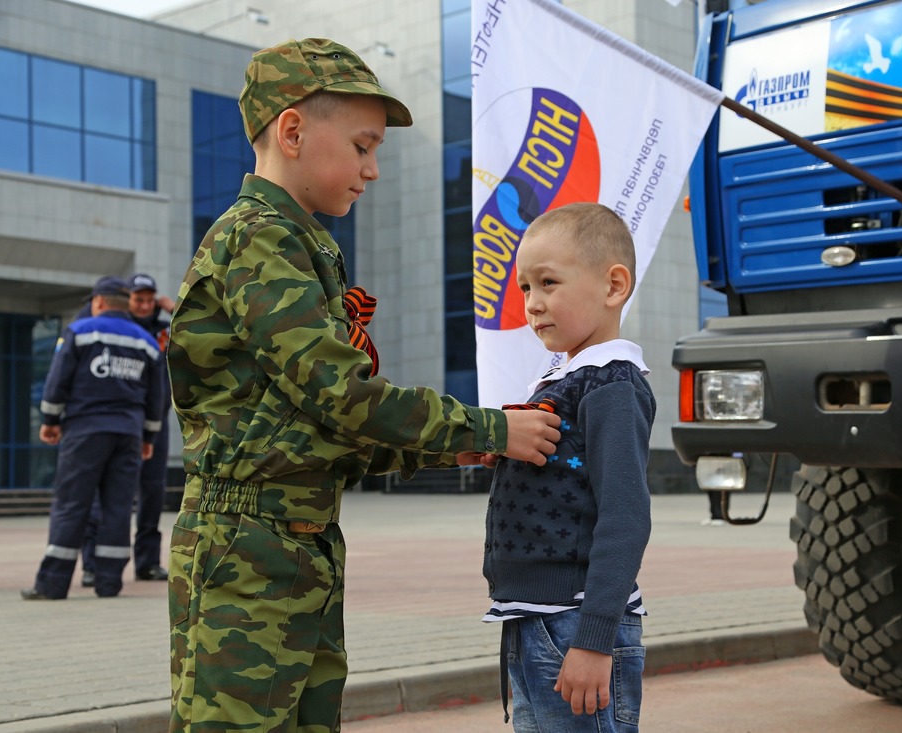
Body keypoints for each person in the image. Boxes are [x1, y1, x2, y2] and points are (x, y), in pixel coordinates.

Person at [166, 38, 561, 731]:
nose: (372, 169)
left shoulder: (301, 243)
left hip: (293, 543)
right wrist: (490, 427)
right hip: (247, 545)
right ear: (292, 130)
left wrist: (455, 448)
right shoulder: (259, 238)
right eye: (361, 145)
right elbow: (340, 394)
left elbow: (323, 430)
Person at [476, 202, 655, 732]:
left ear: (613, 286)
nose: (532, 304)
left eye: (548, 283)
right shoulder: (565, 381)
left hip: (577, 623)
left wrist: (595, 639)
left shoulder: (612, 383)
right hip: (535, 618)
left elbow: (626, 517)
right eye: (525, 288)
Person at [22, 276, 162, 601]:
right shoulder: (146, 341)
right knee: (117, 506)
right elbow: (155, 397)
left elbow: (57, 381)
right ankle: (109, 583)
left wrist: (50, 420)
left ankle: (52, 584)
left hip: (85, 430)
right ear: (126, 304)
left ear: (98, 301)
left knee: (72, 504)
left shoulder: (81, 331)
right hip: (128, 433)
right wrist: (148, 436)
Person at [81, 273, 174, 586]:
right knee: (102, 494)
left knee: (152, 494)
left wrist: (172, 307)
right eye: (139, 299)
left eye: (150, 300)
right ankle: (92, 565)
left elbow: (200, 330)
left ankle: (147, 563)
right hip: (121, 425)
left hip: (155, 425)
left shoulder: (162, 331)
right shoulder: (109, 327)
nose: (146, 305)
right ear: (126, 301)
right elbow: (86, 317)